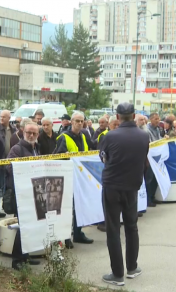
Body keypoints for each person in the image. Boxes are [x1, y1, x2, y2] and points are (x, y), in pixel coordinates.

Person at [99, 103, 149, 286]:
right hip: (132, 186)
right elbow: (143, 158)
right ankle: (132, 267)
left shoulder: (110, 135)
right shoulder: (144, 136)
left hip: (112, 186)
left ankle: (117, 273)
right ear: (134, 115)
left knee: (113, 229)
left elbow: (103, 157)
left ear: (117, 117)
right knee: (131, 226)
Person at [6, 122, 42, 270]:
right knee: (23, 227)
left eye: (34, 133)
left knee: (30, 227)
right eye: (28, 132)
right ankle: (17, 261)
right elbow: (8, 167)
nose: (31, 135)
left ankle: (26, 257)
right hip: (21, 195)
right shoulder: (17, 149)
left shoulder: (36, 148)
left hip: (33, 193)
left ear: (37, 135)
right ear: (23, 132)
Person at [54, 112, 93, 248]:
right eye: (77, 121)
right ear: (71, 122)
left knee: (79, 207)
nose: (80, 123)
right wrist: (64, 156)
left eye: (82, 121)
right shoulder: (63, 137)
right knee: (67, 209)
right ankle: (65, 238)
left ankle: (77, 233)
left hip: (80, 178)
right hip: (67, 178)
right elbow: (56, 157)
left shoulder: (83, 136)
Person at [145, 113, 161, 206]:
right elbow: (151, 143)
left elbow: (159, 140)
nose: (158, 121)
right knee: (149, 179)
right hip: (150, 157)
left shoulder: (158, 129)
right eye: (155, 119)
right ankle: (148, 200)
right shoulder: (147, 131)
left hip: (156, 157)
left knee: (155, 178)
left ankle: (152, 197)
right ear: (151, 119)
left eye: (158, 119)